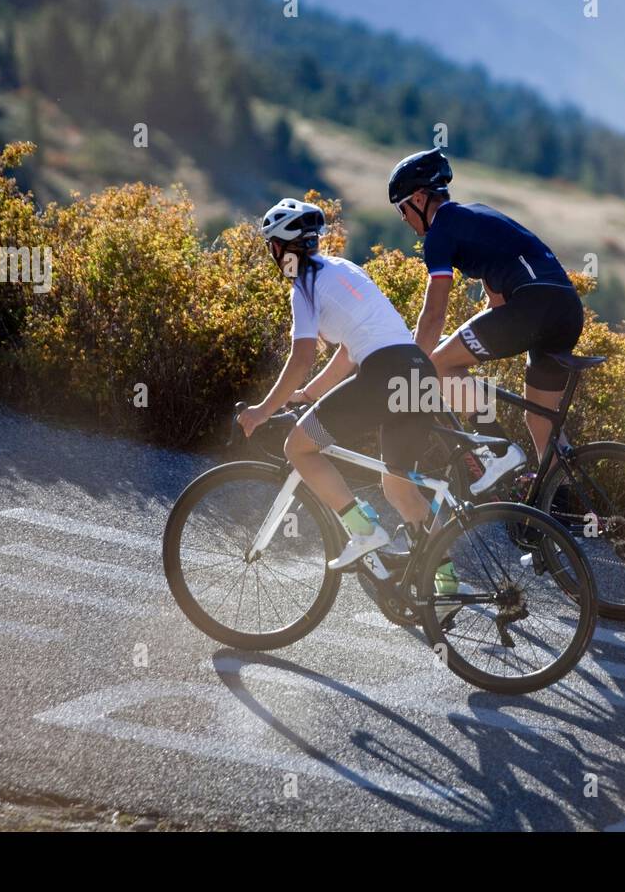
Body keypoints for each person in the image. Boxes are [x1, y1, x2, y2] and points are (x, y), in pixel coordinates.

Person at [237, 198, 464, 595]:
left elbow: (302, 356)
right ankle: (446, 589)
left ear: (279, 248)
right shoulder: (345, 269)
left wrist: (261, 411)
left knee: (299, 448)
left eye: (271, 246)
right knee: (399, 487)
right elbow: (347, 352)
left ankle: (363, 530)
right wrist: (310, 394)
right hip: (417, 372)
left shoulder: (303, 284)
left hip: (384, 373)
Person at [389, 148, 584, 492]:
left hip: (534, 306)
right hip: (566, 309)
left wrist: (413, 363)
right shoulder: (476, 217)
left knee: (438, 366)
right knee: (539, 418)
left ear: (419, 198)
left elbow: (434, 314)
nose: (403, 218)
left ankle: (497, 450)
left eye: (402, 208)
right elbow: (498, 303)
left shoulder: (440, 233)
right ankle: (569, 508)